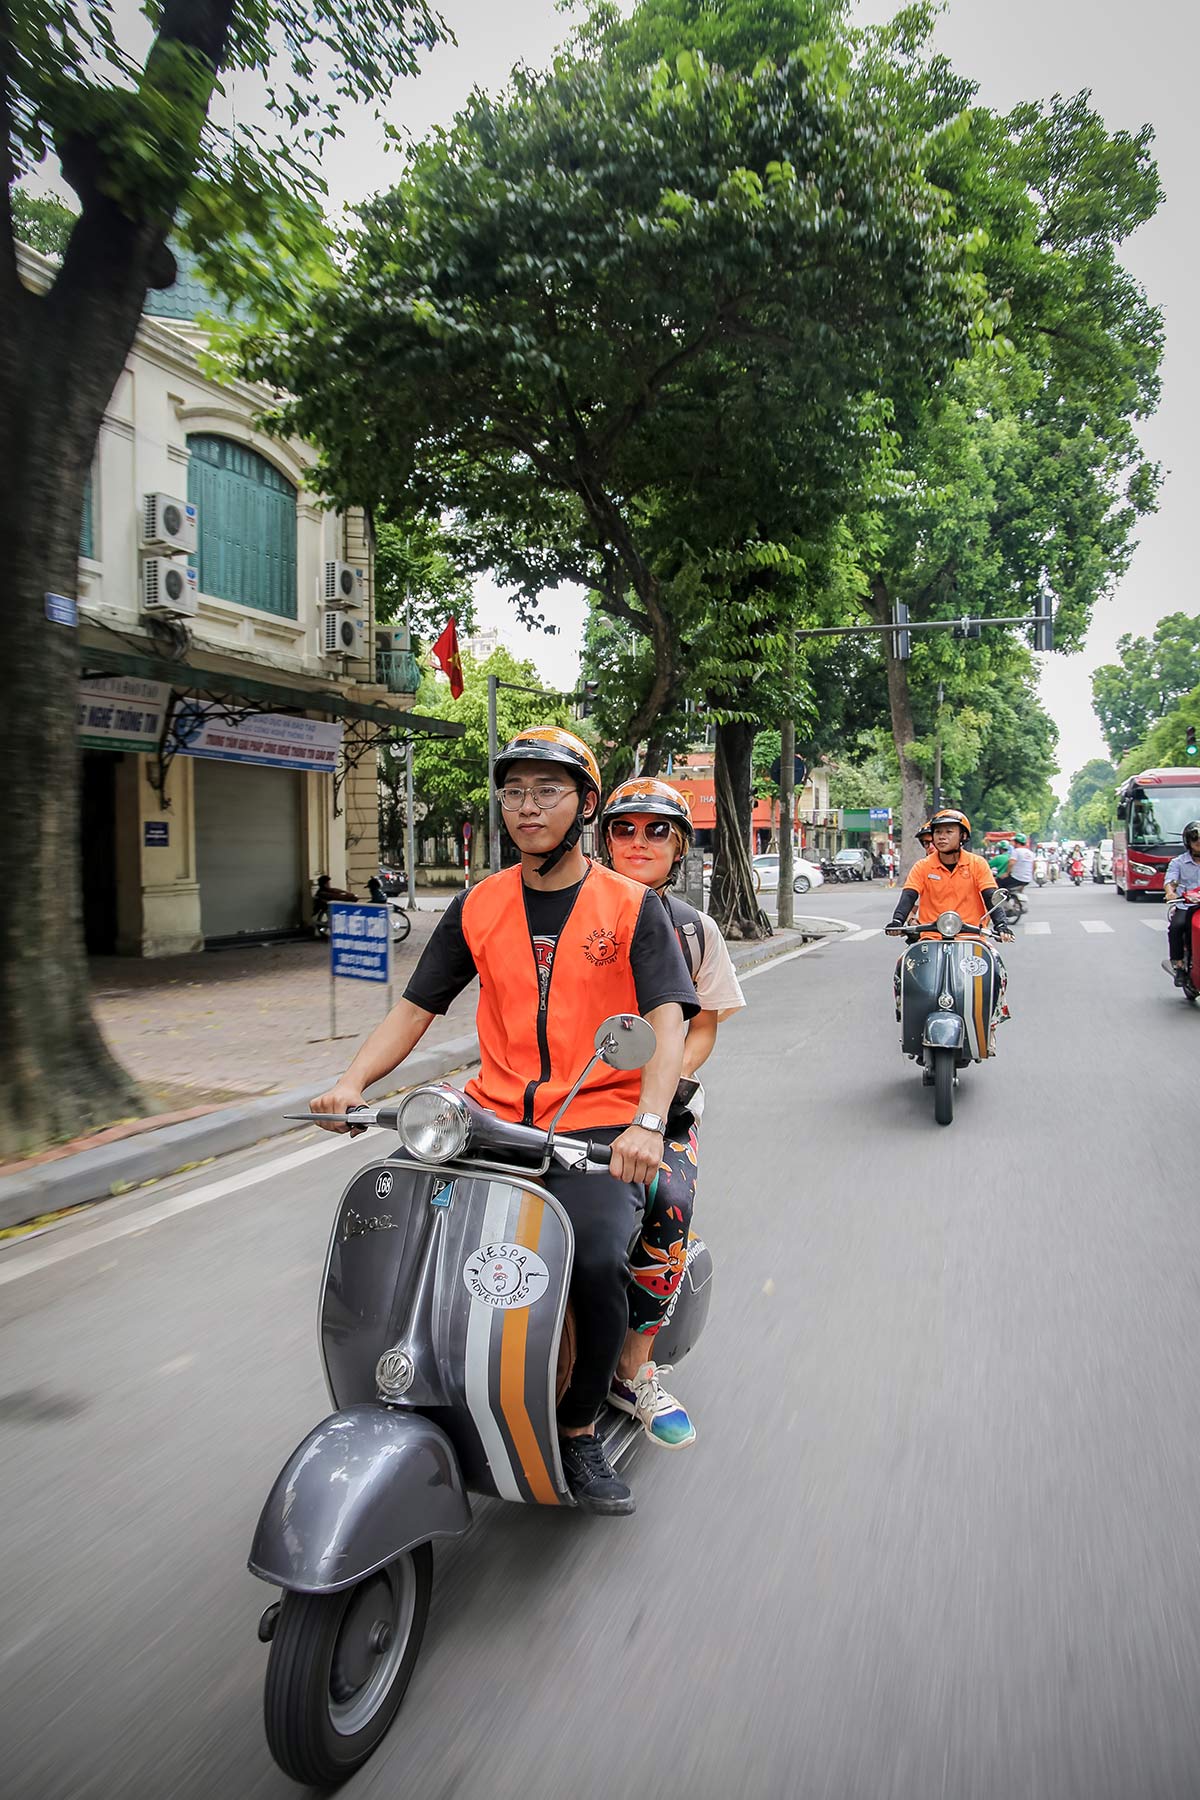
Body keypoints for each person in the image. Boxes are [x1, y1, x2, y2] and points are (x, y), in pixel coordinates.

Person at [310, 726, 698, 1516]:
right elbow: (417, 1008)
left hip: (595, 1133)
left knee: (592, 1260)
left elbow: (668, 1019)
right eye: (515, 791)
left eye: (547, 791)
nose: (527, 807)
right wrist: (350, 1082)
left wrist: (647, 1121)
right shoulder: (479, 904)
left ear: (584, 804)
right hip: (492, 1121)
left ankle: (580, 1425)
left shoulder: (631, 907)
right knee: (413, 1235)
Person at [600, 778, 746, 1449]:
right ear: (603, 838)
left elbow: (704, 1025)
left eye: (656, 830)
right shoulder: (573, 915)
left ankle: (632, 1368)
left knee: (670, 1207)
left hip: (661, 1115)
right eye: (624, 829)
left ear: (681, 844)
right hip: (568, 1104)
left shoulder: (696, 930)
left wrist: (662, 1089)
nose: (639, 842)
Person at [885, 808, 1012, 1025]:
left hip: (972, 938)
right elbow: (909, 895)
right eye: (938, 832)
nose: (942, 836)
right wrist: (897, 920)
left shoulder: (977, 864)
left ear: (962, 836)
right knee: (901, 968)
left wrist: (1002, 924)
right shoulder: (923, 866)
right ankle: (905, 1016)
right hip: (931, 937)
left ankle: (991, 1023)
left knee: (998, 970)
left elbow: (990, 894)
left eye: (949, 831)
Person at [1161, 821, 1200, 986]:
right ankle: (1179, 966)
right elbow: (1171, 880)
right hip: (1187, 906)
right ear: (1188, 842)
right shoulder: (1178, 862)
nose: (1199, 842)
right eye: (1195, 839)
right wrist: (1170, 892)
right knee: (1176, 927)